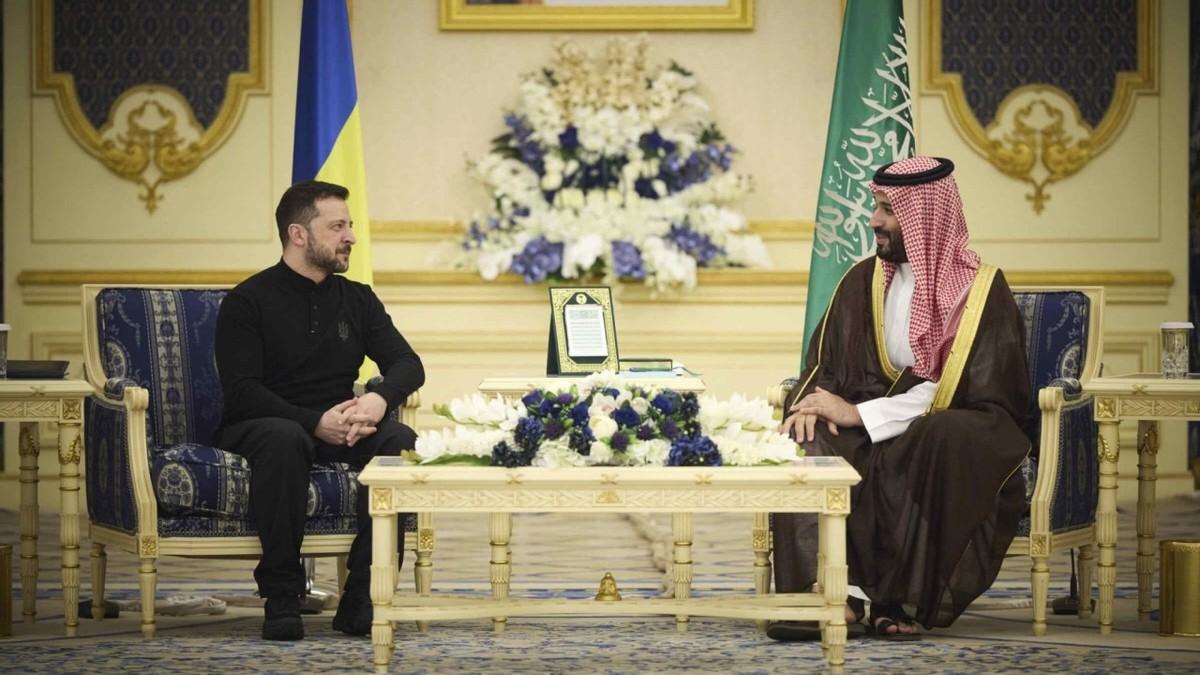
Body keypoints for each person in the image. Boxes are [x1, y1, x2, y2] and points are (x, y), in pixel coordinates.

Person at [769, 156, 1030, 641]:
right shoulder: (861, 281)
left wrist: (862, 414)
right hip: (871, 426)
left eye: (888, 210)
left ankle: (901, 600)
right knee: (807, 436)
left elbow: (976, 388)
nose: (874, 221)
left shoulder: (979, 291)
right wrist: (810, 407)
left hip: (957, 426)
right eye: (876, 206)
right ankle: (826, 595)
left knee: (939, 435)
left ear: (924, 215)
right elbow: (825, 365)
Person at [215, 180, 425, 641]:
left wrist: (377, 400)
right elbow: (243, 391)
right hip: (265, 427)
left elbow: (409, 364)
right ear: (298, 234)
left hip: (342, 427)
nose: (351, 236)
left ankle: (364, 597)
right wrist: (314, 422)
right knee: (285, 437)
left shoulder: (358, 298)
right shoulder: (247, 301)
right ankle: (282, 596)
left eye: (349, 225)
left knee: (399, 439)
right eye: (337, 227)